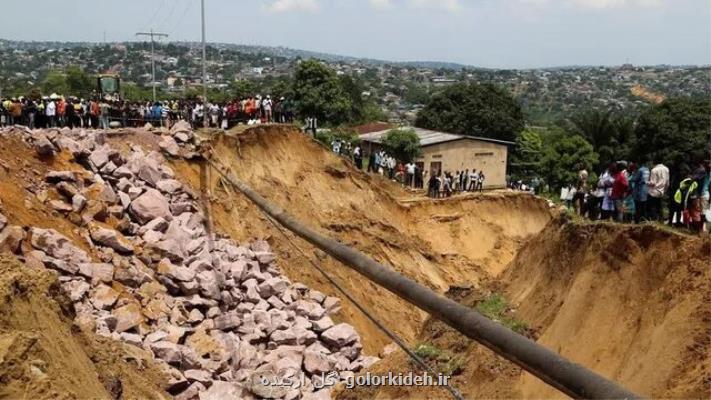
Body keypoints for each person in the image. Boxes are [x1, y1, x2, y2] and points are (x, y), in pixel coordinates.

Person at [647, 156, 669, 222]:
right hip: (661, 191)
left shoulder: (654, 170)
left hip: (654, 191)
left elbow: (653, 183)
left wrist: (646, 182)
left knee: (652, 207)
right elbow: (667, 182)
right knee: (659, 206)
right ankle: (660, 220)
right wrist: (665, 190)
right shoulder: (666, 169)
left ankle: (654, 220)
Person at [630, 157, 651, 223]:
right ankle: (643, 222)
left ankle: (637, 223)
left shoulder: (640, 170)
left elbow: (634, 179)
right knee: (643, 209)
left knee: (638, 209)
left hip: (639, 192)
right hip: (645, 191)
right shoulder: (647, 170)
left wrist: (632, 176)